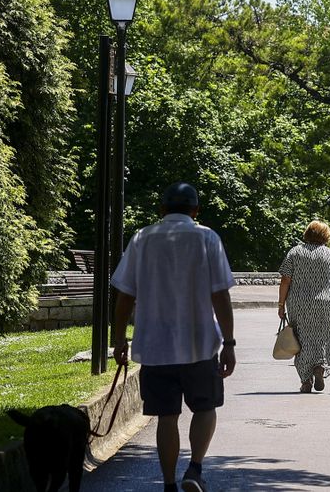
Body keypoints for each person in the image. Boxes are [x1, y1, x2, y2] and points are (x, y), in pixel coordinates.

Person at [112, 183, 237, 492]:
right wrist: (229, 343)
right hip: (199, 344)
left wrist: (119, 339)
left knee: (166, 417)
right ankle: (194, 469)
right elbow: (220, 294)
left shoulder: (142, 238)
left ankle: (168, 484)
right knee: (205, 408)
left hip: (156, 347)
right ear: (196, 210)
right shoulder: (207, 237)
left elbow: (125, 295)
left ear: (162, 209)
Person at [278, 220, 330, 393]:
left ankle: (306, 381)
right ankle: (320, 366)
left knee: (301, 339)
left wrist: (281, 304)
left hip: (299, 303)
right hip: (326, 304)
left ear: (307, 233)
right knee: (325, 337)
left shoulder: (295, 252)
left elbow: (285, 280)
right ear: (326, 236)